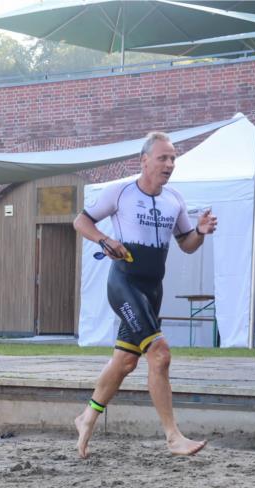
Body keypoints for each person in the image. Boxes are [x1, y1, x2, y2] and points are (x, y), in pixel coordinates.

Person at [73, 131, 217, 459]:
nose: (169, 164)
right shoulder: (120, 192)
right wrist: (104, 240)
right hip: (124, 283)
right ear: (144, 160)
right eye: (163, 158)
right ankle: (173, 437)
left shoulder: (174, 200)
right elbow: (80, 221)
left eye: (173, 158)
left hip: (153, 290)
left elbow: (187, 244)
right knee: (160, 353)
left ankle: (87, 417)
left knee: (125, 361)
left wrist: (200, 232)